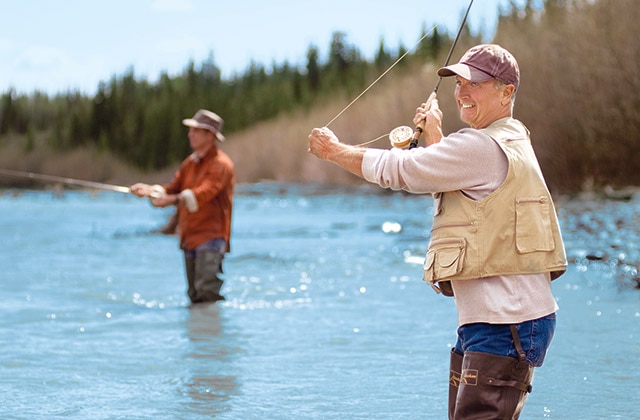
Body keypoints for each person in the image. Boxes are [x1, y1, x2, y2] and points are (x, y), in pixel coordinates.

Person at [308, 44, 566, 419]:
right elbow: (462, 186)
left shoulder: (481, 145)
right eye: (458, 83)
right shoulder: (511, 138)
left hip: (504, 322)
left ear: (506, 92)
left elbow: (403, 170)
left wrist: (333, 151)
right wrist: (436, 138)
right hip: (501, 319)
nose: (462, 92)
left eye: (475, 84)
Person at [131, 109, 235, 304]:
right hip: (190, 237)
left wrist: (171, 199)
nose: (190, 135)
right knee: (194, 295)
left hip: (212, 238)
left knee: (206, 293)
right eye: (190, 130)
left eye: (195, 131)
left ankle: (211, 325)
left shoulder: (221, 164)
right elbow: (173, 188)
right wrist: (150, 190)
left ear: (209, 135)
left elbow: (204, 193)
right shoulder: (189, 163)